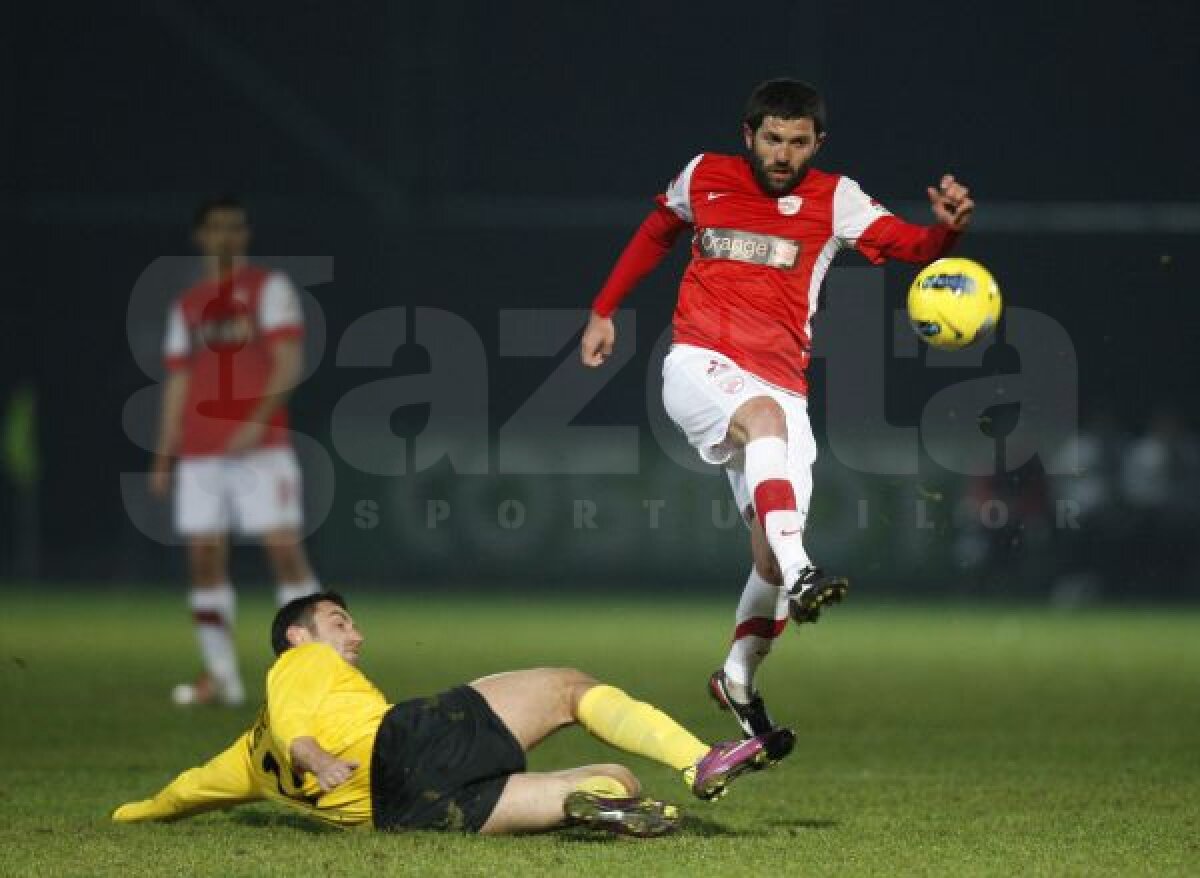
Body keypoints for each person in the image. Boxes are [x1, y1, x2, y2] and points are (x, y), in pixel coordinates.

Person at [579, 79, 974, 747]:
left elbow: (912, 248)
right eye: (771, 138)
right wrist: (603, 309)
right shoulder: (705, 176)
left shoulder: (835, 198)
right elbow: (657, 230)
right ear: (749, 134)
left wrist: (946, 230)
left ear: (817, 143)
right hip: (698, 366)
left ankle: (737, 676)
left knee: (767, 555)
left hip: (784, 386)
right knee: (768, 452)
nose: (783, 153)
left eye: (797, 142)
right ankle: (805, 571)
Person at [111, 593, 789, 837]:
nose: (355, 637)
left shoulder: (241, 759)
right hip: (400, 745)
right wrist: (311, 753)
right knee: (568, 687)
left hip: (404, 814)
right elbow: (293, 722)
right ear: (298, 633)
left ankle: (589, 802)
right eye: (340, 623)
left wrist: (136, 812)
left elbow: (191, 790)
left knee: (616, 778)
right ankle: (699, 759)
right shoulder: (298, 664)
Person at [150, 197, 321, 706]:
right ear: (200, 236)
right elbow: (178, 381)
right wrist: (163, 454)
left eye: (235, 227)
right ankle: (221, 676)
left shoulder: (269, 290)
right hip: (201, 451)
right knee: (203, 558)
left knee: (283, 549)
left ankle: (316, 671)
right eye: (216, 228)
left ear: (245, 234)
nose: (226, 236)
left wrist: (256, 419)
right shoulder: (188, 305)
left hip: (260, 447)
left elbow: (289, 363)